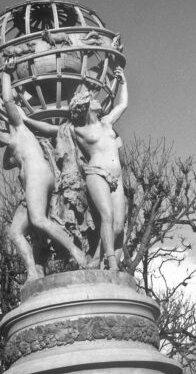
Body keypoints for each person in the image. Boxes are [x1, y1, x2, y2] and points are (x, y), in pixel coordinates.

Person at [0, 58, 87, 280]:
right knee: (14, 232)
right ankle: (33, 272)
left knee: (39, 220)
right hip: (32, 183)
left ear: (2, 127)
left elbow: (7, 101)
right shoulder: (12, 148)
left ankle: (76, 251)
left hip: (38, 177)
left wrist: (6, 73)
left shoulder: (18, 127)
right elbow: (6, 163)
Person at [23, 67, 128, 270]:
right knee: (107, 217)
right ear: (86, 106)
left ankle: (97, 259)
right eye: (92, 98)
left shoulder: (107, 122)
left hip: (117, 177)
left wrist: (123, 82)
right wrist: (26, 120)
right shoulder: (77, 130)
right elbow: (51, 129)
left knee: (118, 225)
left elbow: (123, 104)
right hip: (97, 174)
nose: (98, 100)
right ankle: (112, 263)